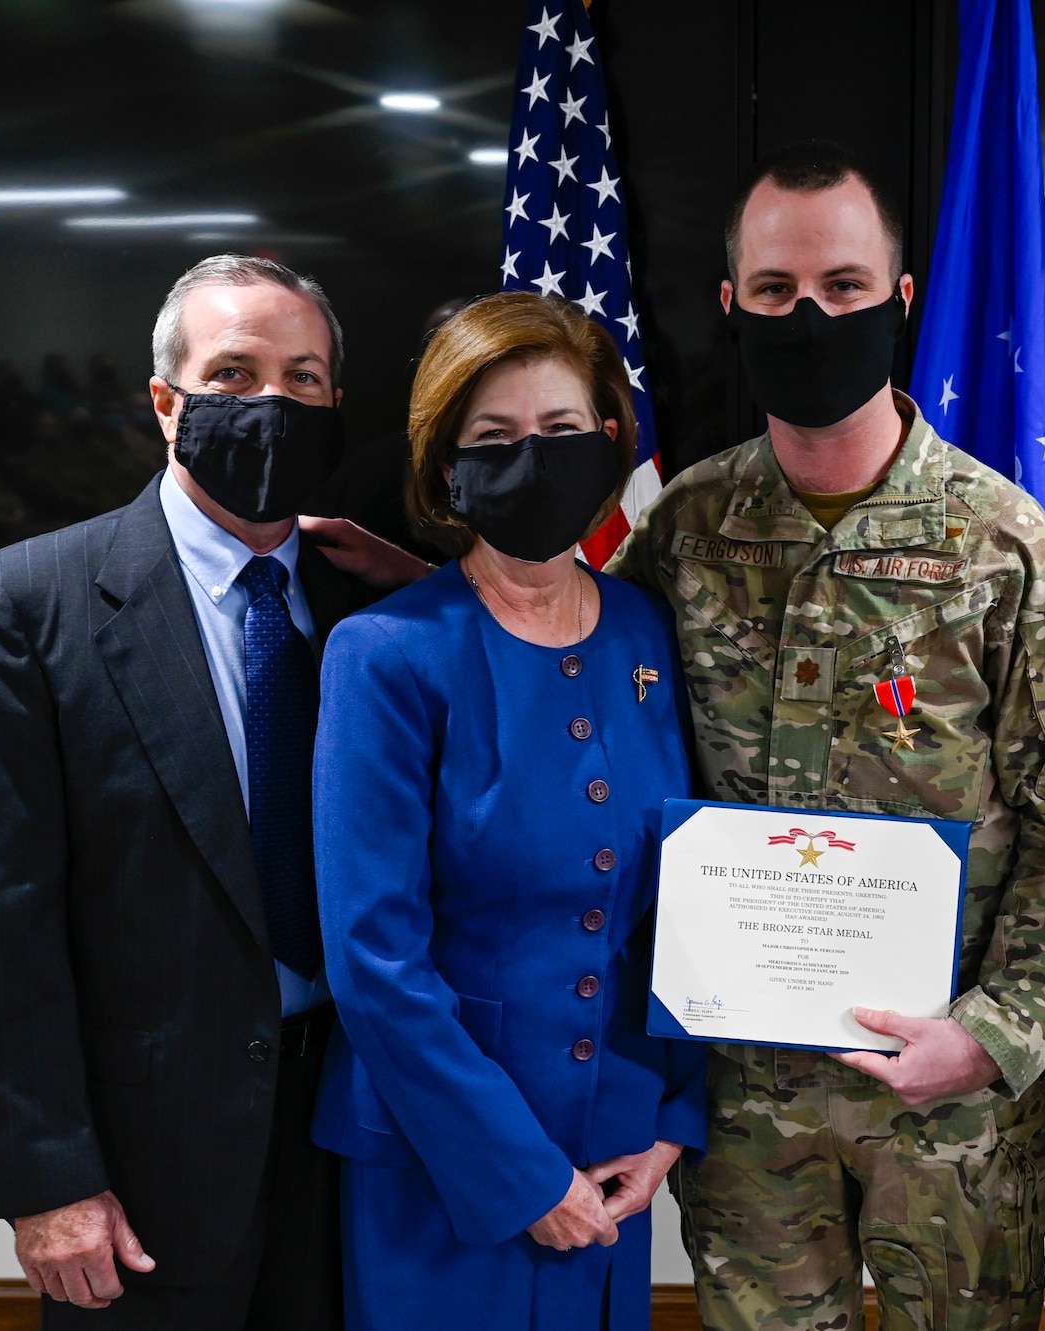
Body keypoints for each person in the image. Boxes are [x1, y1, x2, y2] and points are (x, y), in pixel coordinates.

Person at [606, 139, 1045, 1331]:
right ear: (730, 306)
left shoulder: (1001, 544)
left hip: (951, 1101)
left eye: (841, 286)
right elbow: (581, 710)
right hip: (744, 1098)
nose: (810, 314)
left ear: (899, 300)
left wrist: (989, 1037)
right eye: (775, 292)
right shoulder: (683, 529)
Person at [0, 253, 415, 1328]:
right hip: (143, 1163)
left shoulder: (375, 601)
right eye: (232, 374)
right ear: (165, 400)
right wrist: (46, 1179)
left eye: (304, 377)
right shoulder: (21, 604)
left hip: (355, 1130)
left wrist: (431, 587)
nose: (271, 403)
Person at [309, 291, 708, 1331]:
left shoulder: (646, 627)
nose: (533, 457)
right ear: (448, 465)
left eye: (562, 432)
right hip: (444, 1166)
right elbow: (372, 958)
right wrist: (520, 1174)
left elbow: (685, 898)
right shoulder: (386, 652)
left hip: (617, 1154)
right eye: (495, 437)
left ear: (610, 439)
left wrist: (672, 1118)